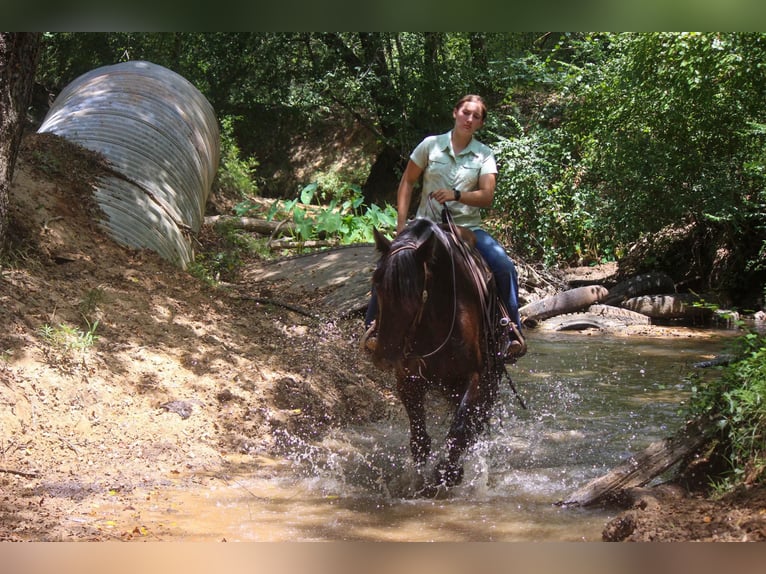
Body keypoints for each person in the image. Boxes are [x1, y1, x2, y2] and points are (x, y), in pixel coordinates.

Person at [364, 94, 525, 361]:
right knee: (391, 264)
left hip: (466, 228)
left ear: (481, 123)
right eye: (466, 113)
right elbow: (407, 182)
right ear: (455, 113)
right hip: (424, 226)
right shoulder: (431, 146)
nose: (469, 119)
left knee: (504, 267)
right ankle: (374, 328)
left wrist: (456, 195)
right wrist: (402, 226)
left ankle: (511, 333)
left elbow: (487, 196)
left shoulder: (484, 154)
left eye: (476, 116)